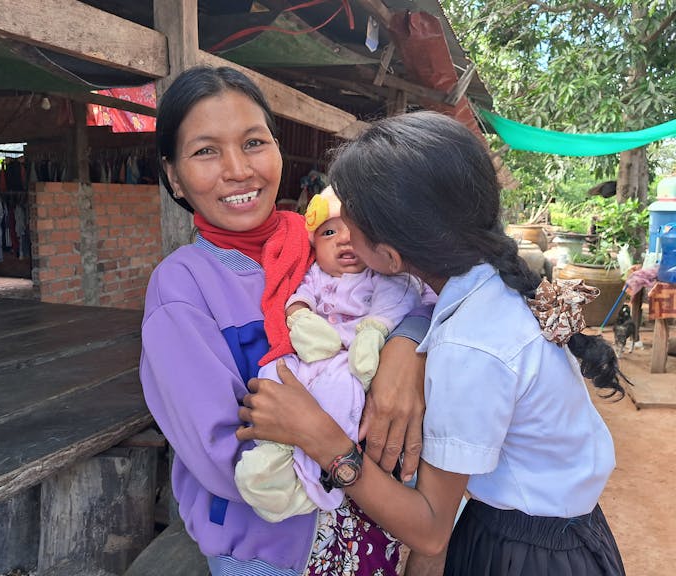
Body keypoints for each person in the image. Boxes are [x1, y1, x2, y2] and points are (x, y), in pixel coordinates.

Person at [237, 111, 627, 575]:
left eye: (350, 224)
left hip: (524, 555)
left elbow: (429, 529)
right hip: (554, 534)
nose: (341, 236)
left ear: (389, 256)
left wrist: (320, 438)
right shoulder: (491, 291)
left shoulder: (469, 347)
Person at [139, 66, 434, 576]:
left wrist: (405, 349)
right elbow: (224, 459)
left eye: (253, 142)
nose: (237, 169)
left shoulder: (330, 240)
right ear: (174, 176)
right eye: (206, 151)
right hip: (274, 552)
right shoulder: (182, 289)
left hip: (373, 531)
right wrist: (336, 443)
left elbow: (423, 293)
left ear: (277, 148)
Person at [235, 186, 433, 523]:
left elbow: (398, 299)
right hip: (310, 353)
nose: (343, 239)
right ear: (313, 245)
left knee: (341, 391)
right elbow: (298, 298)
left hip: (351, 355)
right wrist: (299, 318)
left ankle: (314, 476)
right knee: (274, 374)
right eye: (329, 231)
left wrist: (373, 330)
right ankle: (276, 456)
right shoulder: (313, 273)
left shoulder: (381, 275)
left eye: (354, 230)